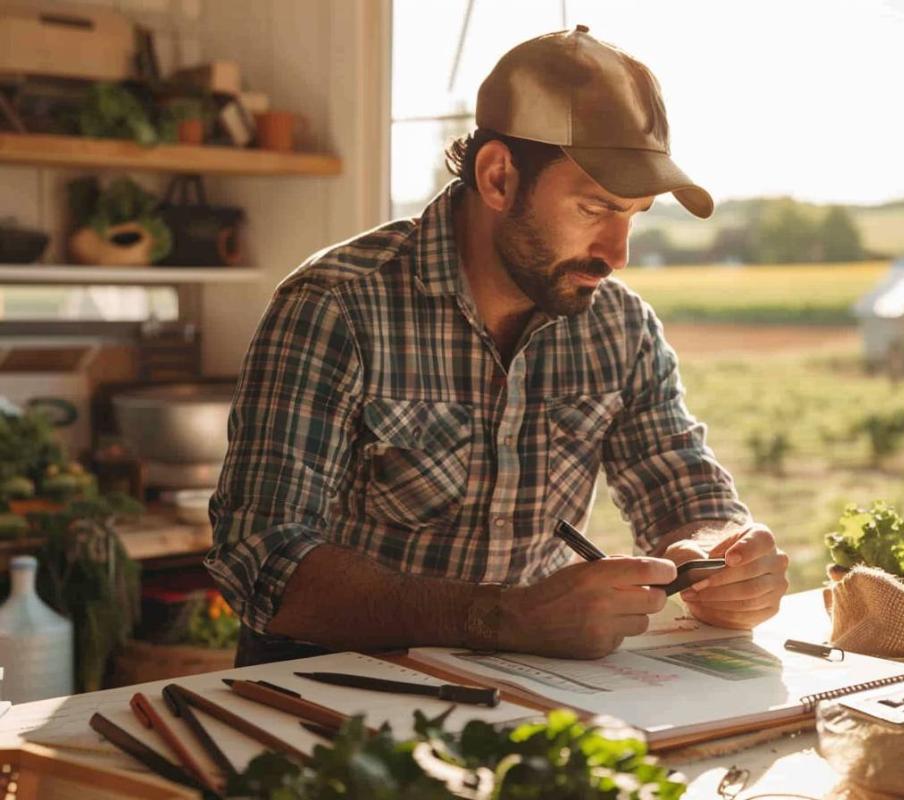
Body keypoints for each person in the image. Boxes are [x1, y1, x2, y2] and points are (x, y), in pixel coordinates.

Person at [206, 25, 789, 667]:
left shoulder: (618, 326)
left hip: (526, 692)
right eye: (595, 210)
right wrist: (503, 616)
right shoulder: (336, 305)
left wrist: (722, 558)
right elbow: (261, 557)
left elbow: (688, 498)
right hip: (321, 691)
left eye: (634, 214)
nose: (618, 255)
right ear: (498, 177)